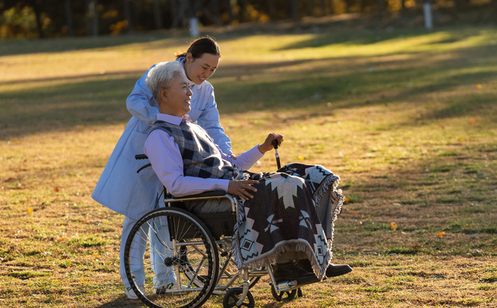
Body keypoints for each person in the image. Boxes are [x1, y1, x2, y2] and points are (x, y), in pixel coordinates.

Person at [143, 60, 351, 285]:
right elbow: (175, 185)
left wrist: (262, 148)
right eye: (183, 87)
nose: (190, 92)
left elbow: (232, 164)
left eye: (189, 87)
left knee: (312, 176)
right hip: (211, 199)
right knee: (286, 185)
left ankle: (308, 258)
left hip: (233, 187)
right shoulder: (160, 136)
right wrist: (226, 186)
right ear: (164, 95)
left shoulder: (194, 127)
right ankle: (287, 266)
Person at [92, 37, 233, 299]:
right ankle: (133, 283)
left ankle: (165, 280)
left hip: (179, 155)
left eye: (213, 70)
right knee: (138, 216)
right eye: (204, 67)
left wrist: (228, 156)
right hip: (145, 148)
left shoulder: (205, 90)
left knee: (169, 216)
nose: (207, 74)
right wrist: (163, 120)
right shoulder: (162, 72)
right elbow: (134, 101)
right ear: (189, 57)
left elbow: (213, 127)